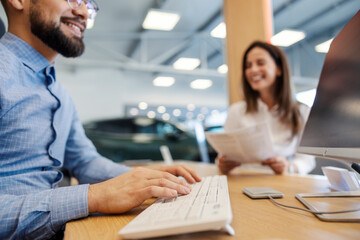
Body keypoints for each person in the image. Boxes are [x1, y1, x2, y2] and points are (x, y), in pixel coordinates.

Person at [0, 0, 201, 239]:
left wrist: (144, 176)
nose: (84, 13)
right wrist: (93, 197)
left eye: (88, 5)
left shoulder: (59, 93)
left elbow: (85, 161)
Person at [217, 41, 315, 175]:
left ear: (279, 69)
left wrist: (289, 167)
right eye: (248, 65)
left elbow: (308, 161)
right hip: (246, 182)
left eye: (260, 63)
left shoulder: (302, 111)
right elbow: (222, 157)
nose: (253, 70)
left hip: (285, 181)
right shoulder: (236, 112)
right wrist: (222, 165)